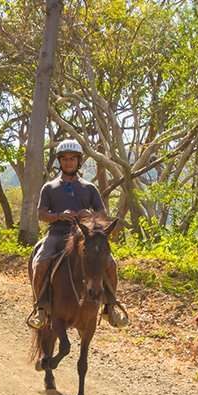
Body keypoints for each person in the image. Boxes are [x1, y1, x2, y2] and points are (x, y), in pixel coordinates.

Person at [27, 138, 129, 330]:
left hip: (85, 238)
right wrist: (58, 216)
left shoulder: (89, 188)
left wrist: (90, 215)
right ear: (59, 161)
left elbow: (102, 213)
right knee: (40, 263)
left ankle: (110, 307)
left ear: (78, 161)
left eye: (72, 159)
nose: (68, 162)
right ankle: (41, 307)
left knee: (110, 264)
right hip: (57, 235)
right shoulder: (49, 187)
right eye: (64, 159)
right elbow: (41, 214)